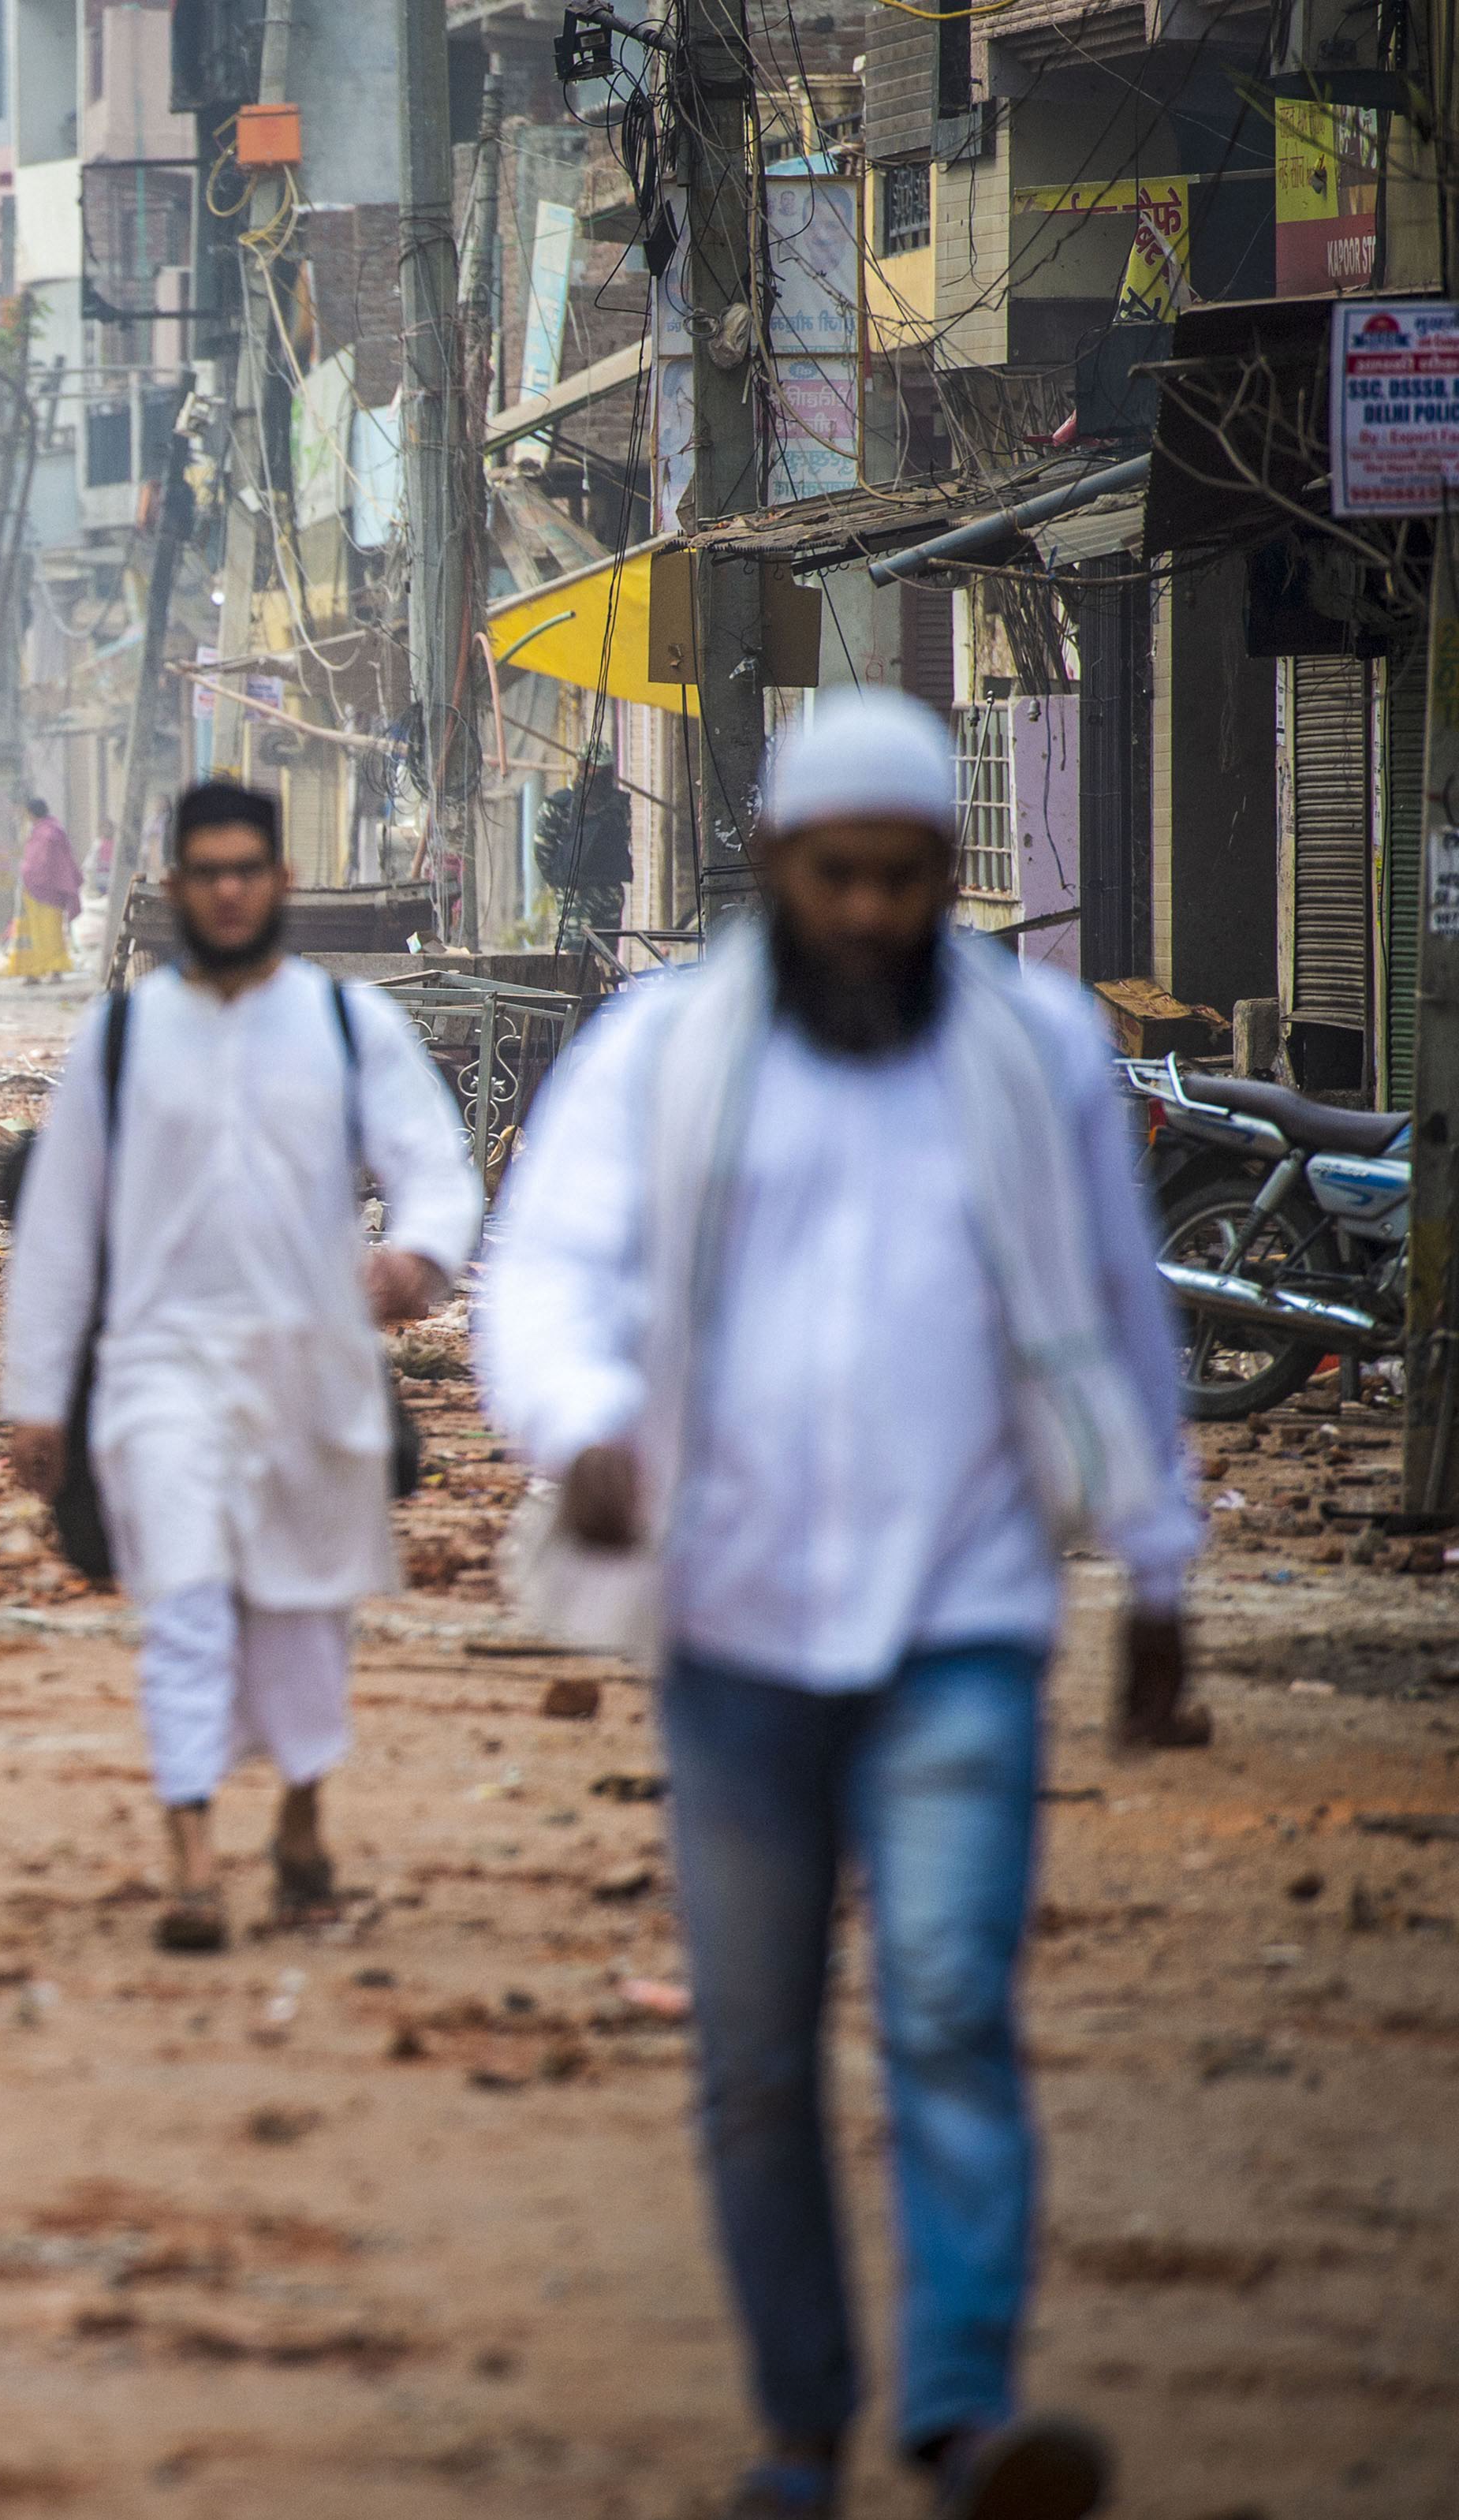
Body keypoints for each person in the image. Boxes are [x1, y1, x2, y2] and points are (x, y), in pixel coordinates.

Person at [476, 689, 1202, 2520]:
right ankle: (797, 2426)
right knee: (753, 2050)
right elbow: (544, 1273)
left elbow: (1118, 1314)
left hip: (964, 1607)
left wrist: (1159, 1558)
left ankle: (960, 2411)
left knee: (949, 1997)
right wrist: (580, 1432)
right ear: (772, 871)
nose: (871, 912)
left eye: (903, 878)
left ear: (947, 876)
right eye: (835, 876)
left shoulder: (1035, 1050)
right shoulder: (658, 1048)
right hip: (728, 1619)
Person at [0, 778, 479, 1955]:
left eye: (246, 869)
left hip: (311, 1365)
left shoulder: (343, 1025)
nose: (226, 890)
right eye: (205, 871)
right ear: (175, 888)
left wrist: (419, 1253)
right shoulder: (116, 1040)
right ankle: (193, 1859)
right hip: (156, 1366)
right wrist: (35, 1395)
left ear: (280, 881)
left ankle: (305, 1821)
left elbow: (435, 1159)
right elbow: (59, 1228)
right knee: (188, 1600)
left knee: (305, 1609)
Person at [536, 741, 636, 956]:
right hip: (576, 897)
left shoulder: (618, 804)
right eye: (593, 769)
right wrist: (564, 881)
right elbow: (543, 853)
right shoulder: (559, 806)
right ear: (582, 768)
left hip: (609, 893)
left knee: (608, 959)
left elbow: (623, 839)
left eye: (603, 770)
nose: (598, 776)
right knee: (575, 959)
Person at [12, 797, 79, 981]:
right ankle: (34, 971)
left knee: (48, 931)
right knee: (36, 932)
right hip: (37, 890)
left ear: (31, 813)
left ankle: (52, 970)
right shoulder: (47, 831)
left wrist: (29, 874)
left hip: (47, 889)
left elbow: (41, 862)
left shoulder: (47, 833)